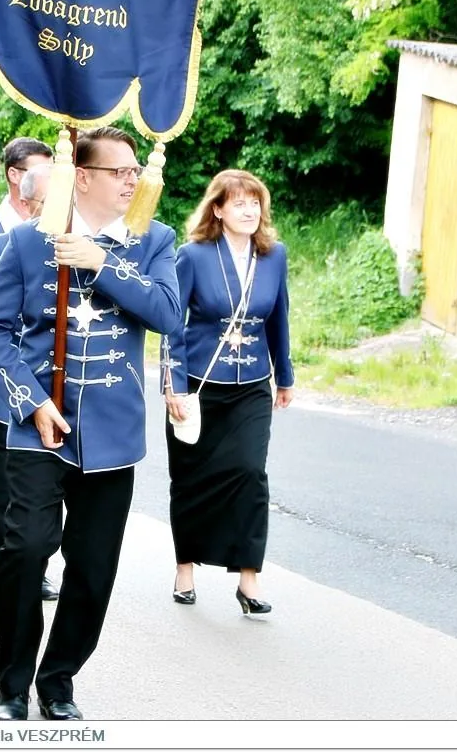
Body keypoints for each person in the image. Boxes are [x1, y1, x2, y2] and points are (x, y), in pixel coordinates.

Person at [0, 126, 182, 722]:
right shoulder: (32, 243)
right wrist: (31, 400)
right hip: (39, 426)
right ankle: (12, 682)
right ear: (81, 176)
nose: (132, 182)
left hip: (112, 433)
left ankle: (57, 681)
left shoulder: (153, 239)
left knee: (92, 569)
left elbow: (168, 314)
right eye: (120, 172)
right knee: (25, 550)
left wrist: (103, 264)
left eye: (134, 172)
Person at [164, 169, 295, 615]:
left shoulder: (274, 256)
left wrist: (285, 376)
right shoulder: (193, 255)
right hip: (199, 387)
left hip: (251, 387)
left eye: (255, 203)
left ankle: (248, 579)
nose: (249, 210)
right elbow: (170, 325)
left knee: (249, 474)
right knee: (191, 479)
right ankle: (185, 566)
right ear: (217, 209)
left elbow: (279, 318)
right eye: (239, 203)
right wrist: (173, 385)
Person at [0, 159, 58, 603]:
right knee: (1, 475)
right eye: (48, 201)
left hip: (51, 383)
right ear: (27, 202)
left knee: (39, 479)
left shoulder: (73, 248)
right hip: (1, 380)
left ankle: (32, 562)